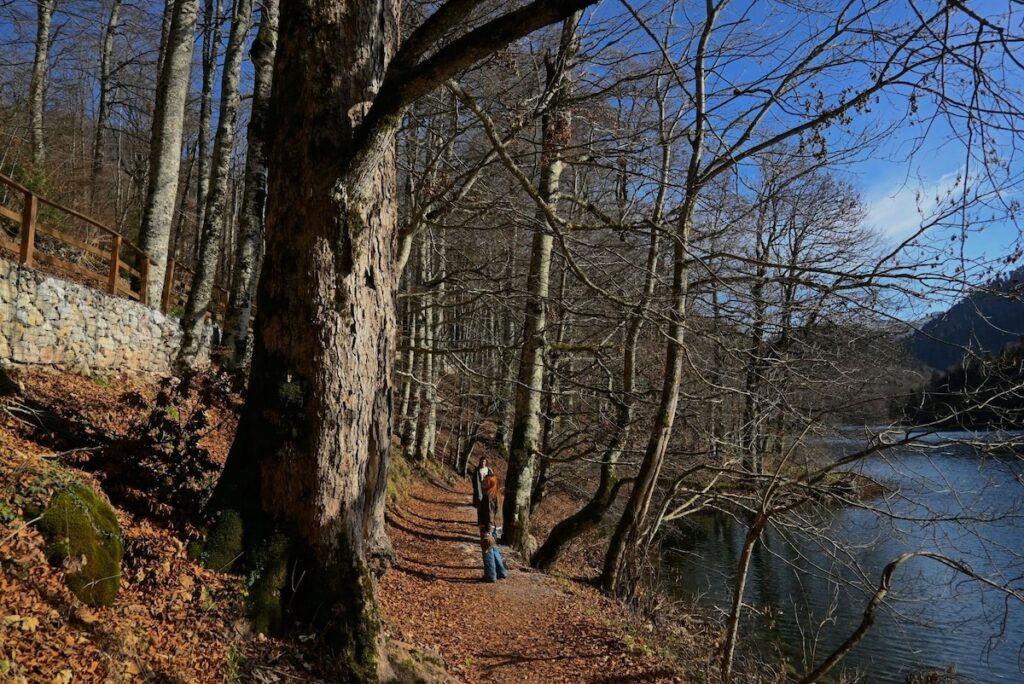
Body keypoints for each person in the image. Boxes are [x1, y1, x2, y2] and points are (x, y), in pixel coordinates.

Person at [477, 473, 508, 582]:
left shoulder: (488, 496)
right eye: (484, 481)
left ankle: (490, 577)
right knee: (494, 549)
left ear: (491, 483)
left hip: (490, 527)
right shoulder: (498, 494)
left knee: (488, 551)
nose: (483, 483)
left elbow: (489, 515)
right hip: (498, 527)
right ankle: (501, 572)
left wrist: (487, 532)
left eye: (486, 481)